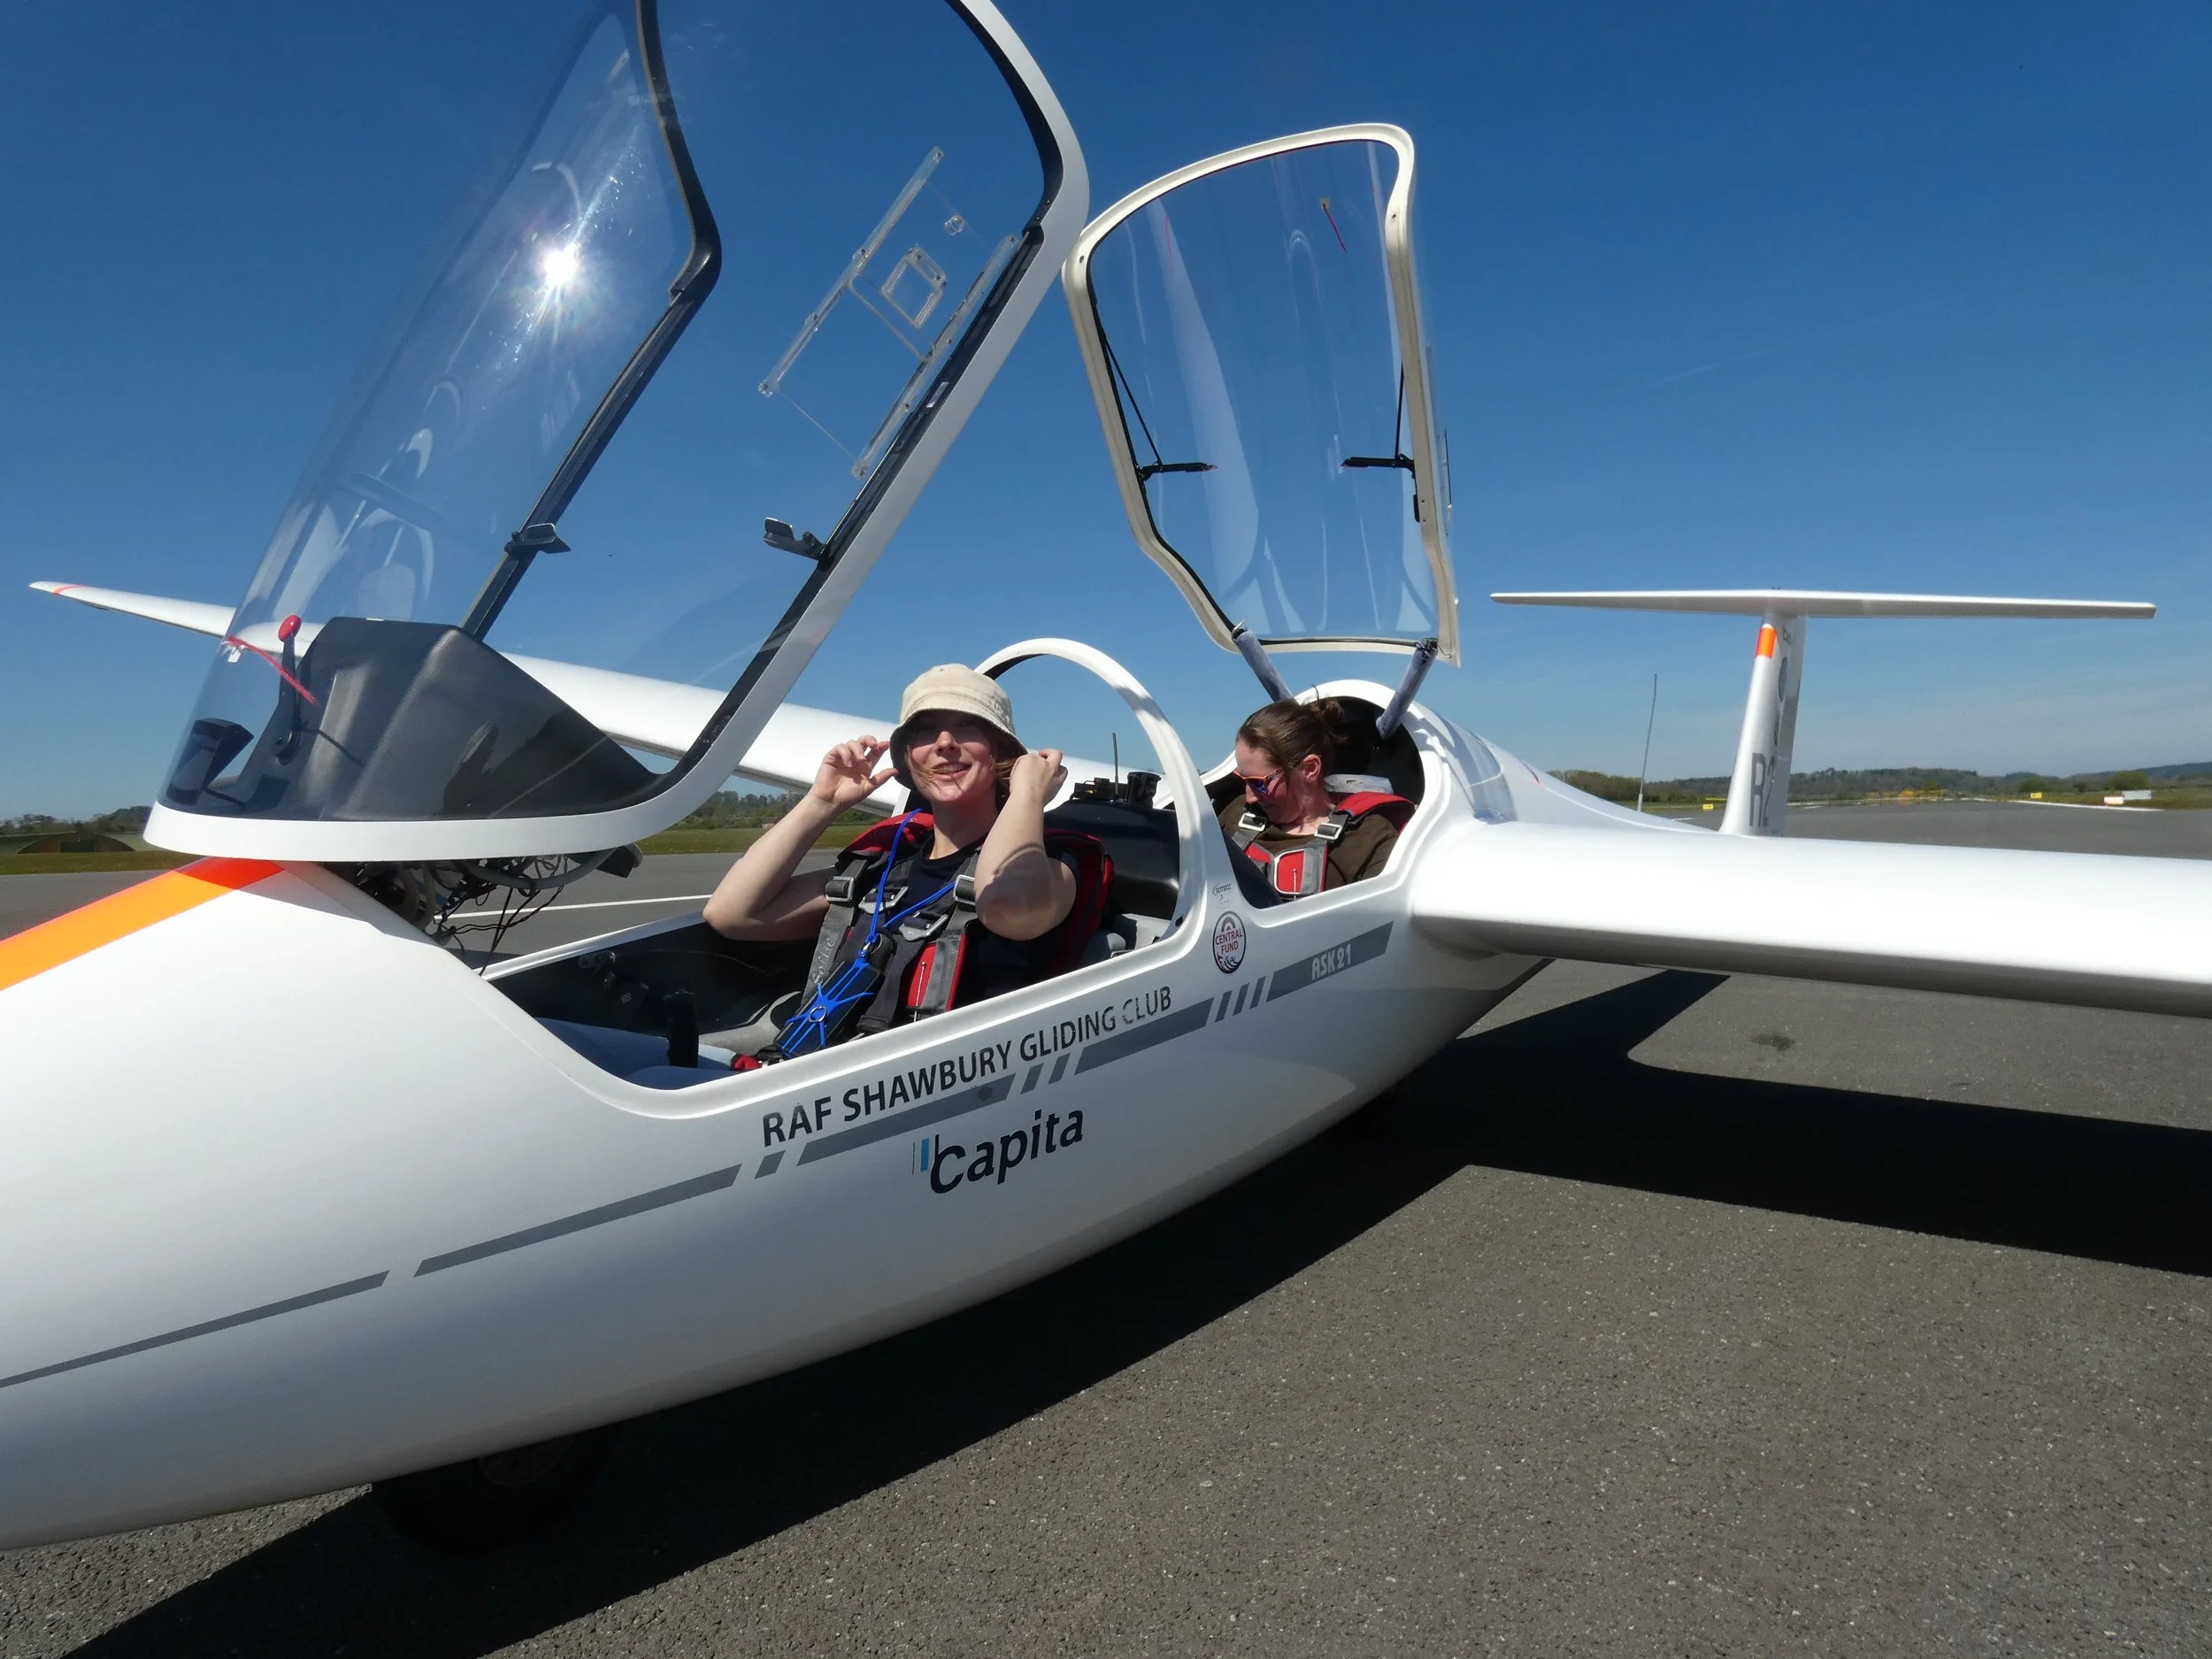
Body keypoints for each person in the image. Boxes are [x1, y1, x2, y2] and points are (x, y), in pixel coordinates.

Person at [705, 664, 1099, 1055]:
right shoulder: (886, 867)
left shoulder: (1050, 864)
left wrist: (1026, 795)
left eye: (967, 727)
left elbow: (1006, 906)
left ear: (1000, 752)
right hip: (827, 1071)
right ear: (910, 758)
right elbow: (732, 913)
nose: (944, 742)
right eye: (925, 730)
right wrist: (822, 803)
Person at [1218, 698, 1409, 896]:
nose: (1249, 797)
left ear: (1309, 769)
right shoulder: (1235, 813)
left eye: (1259, 783)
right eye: (1243, 779)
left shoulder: (1367, 840)